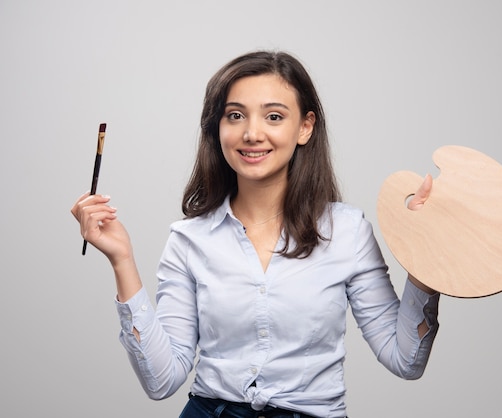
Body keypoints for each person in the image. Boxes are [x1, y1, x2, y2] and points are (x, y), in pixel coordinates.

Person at [71, 50, 440, 418]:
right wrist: (122, 259)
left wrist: (428, 254)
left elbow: (405, 359)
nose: (251, 133)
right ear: (218, 128)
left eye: (274, 116)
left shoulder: (347, 232)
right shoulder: (189, 239)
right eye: (235, 115)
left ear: (305, 127)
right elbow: (161, 380)